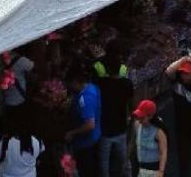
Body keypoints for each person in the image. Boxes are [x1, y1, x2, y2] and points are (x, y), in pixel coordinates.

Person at [94, 49, 134, 177]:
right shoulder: (127, 84)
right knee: (124, 160)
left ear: (107, 69)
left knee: (104, 163)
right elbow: (132, 105)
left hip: (105, 130)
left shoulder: (101, 84)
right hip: (121, 128)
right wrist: (131, 121)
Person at [64, 67, 102, 177]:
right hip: (94, 138)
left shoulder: (85, 99)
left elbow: (90, 124)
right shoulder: (92, 87)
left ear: (75, 82)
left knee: (86, 171)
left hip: (86, 144)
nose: (69, 86)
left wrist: (72, 133)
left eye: (70, 83)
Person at [129, 100, 168, 177]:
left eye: (142, 118)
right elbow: (133, 144)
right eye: (138, 117)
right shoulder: (137, 125)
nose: (139, 120)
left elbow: (163, 152)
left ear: (150, 116)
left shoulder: (159, 132)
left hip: (154, 171)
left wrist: (161, 171)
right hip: (140, 169)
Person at [0, 49, 35, 131]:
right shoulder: (21, 60)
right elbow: (32, 66)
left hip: (5, 99)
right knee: (19, 121)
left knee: (10, 122)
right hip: (19, 98)